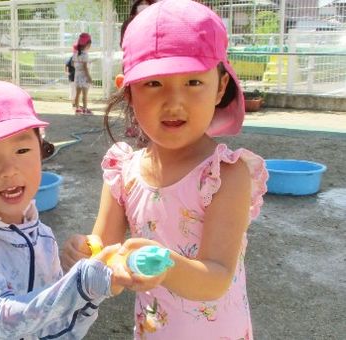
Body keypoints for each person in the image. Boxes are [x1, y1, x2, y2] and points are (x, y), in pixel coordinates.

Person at [62, 1, 268, 339]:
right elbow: (107, 263)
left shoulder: (224, 175)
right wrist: (85, 255)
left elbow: (216, 277)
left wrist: (160, 263)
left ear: (219, 86)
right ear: (127, 90)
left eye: (193, 82)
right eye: (154, 83)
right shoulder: (123, 171)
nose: (174, 101)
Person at [0, 80, 133, 339]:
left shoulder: (43, 239)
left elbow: (53, 330)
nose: (9, 170)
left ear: (40, 150)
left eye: (22, 150)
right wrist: (79, 285)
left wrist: (87, 292)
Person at [119, 0, 156, 140]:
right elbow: (123, 45)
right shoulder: (128, 25)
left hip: (152, 67)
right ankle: (132, 127)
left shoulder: (157, 23)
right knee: (131, 97)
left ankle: (146, 132)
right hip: (132, 65)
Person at [73, 33, 93, 115]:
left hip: (77, 76)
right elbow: (85, 67)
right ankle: (84, 109)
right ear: (87, 44)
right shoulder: (85, 55)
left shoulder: (76, 53)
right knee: (85, 94)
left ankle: (77, 109)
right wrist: (89, 77)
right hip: (84, 76)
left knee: (77, 93)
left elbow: (74, 64)